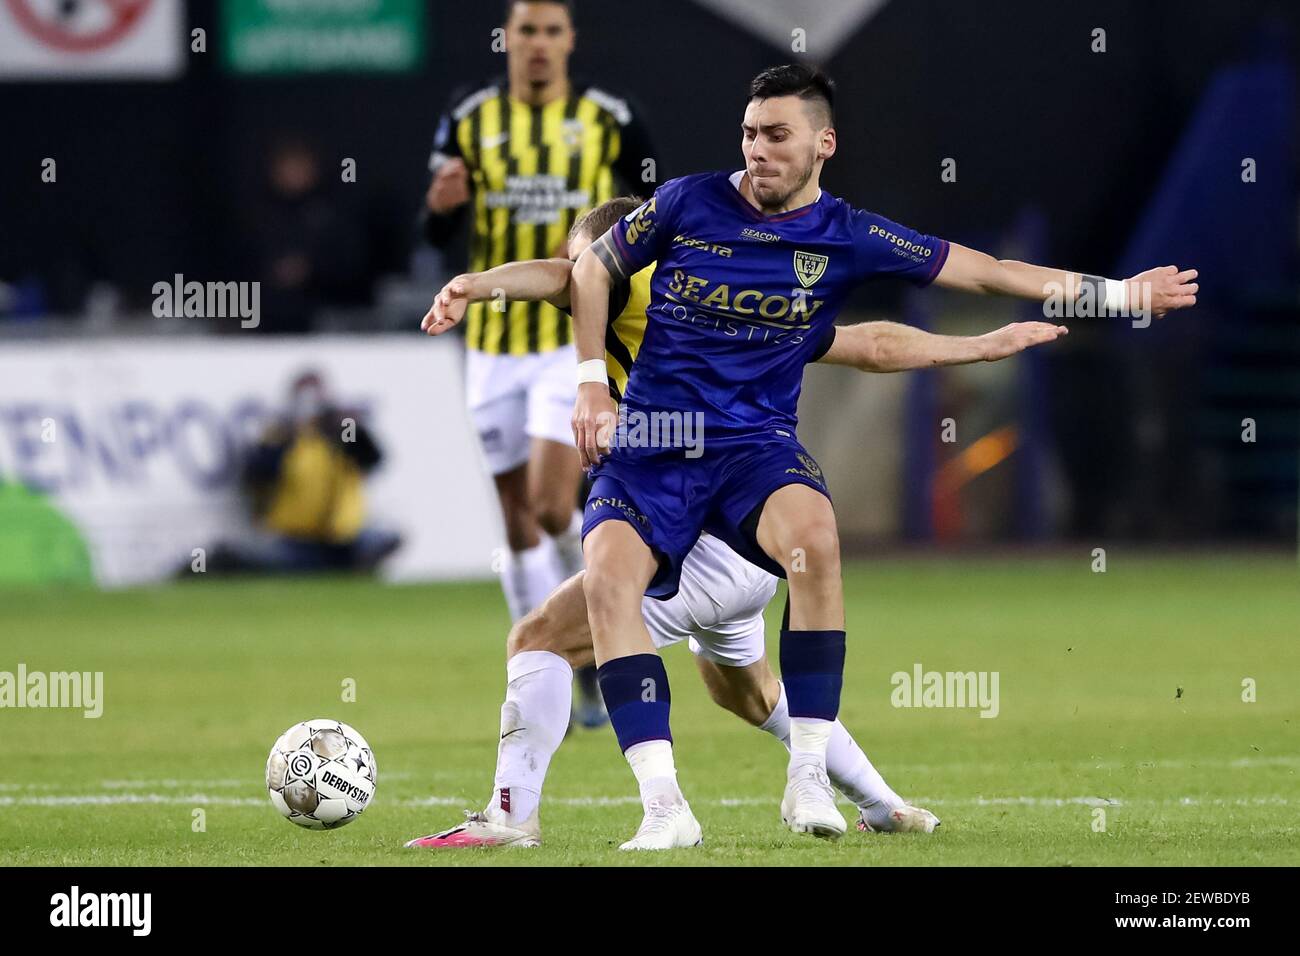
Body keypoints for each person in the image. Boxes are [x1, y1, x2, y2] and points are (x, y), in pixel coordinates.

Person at [567, 65, 1198, 846]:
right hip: (649, 447)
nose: (756, 150)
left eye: (776, 135)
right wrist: (591, 383)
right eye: (748, 133)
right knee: (607, 583)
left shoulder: (850, 236)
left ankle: (807, 779)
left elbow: (990, 271)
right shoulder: (687, 201)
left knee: (817, 540)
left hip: (751, 448)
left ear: (822, 144)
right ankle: (664, 808)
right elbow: (588, 267)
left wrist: (1119, 295)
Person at [405, 198, 1066, 849]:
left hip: (702, 530)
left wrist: (479, 284)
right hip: (745, 539)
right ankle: (884, 804)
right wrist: (977, 346)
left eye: (587, 266)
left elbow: (558, 276)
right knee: (747, 694)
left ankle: (520, 815)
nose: (580, 286)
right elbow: (864, 343)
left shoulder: (620, 280)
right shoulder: (724, 290)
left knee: (540, 638)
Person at [422, 0, 659, 726]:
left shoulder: (613, 117)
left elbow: (653, 221)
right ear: (508, 38)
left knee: (556, 505)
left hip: (571, 340)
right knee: (517, 521)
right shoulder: (467, 117)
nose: (538, 44)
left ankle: (575, 637)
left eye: (551, 31)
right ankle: (542, 670)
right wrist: (439, 208)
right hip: (493, 345)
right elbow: (438, 233)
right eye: (525, 30)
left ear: (568, 41)